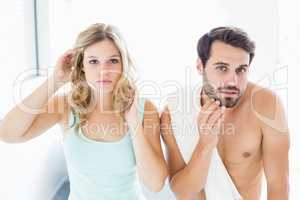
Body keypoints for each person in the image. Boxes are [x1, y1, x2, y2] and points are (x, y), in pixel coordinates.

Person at [0, 23, 168, 200]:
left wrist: (134, 123)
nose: (104, 71)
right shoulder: (66, 106)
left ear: (123, 64)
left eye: (113, 60)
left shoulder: (144, 109)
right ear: (82, 66)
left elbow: (155, 184)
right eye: (93, 61)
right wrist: (55, 81)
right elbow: (7, 133)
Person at [160, 27, 290, 200]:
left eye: (241, 70)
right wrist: (205, 144)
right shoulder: (175, 111)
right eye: (222, 68)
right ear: (200, 66)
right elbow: (182, 191)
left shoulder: (266, 105)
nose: (232, 81)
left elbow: (278, 185)